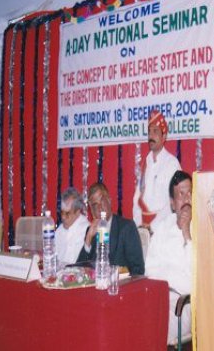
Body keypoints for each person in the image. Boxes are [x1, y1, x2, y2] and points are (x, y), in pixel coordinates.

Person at [145, 170, 192, 344]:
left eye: (189, 193)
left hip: (184, 305)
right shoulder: (163, 227)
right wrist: (171, 278)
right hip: (157, 298)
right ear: (173, 204)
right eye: (181, 194)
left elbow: (194, 282)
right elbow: (149, 270)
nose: (187, 199)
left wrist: (187, 233)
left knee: (152, 328)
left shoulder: (202, 228)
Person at [77, 182, 144, 275]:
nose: (100, 207)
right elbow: (79, 270)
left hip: (119, 286)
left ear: (109, 200)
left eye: (102, 200)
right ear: (91, 211)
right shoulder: (91, 231)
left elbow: (138, 270)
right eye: (95, 205)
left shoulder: (126, 227)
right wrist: (88, 239)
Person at [132, 110, 181, 232]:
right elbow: (137, 200)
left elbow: (173, 202)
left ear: (164, 137)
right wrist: (139, 225)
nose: (151, 136)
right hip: (143, 229)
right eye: (149, 132)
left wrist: (152, 227)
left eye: (155, 132)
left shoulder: (172, 164)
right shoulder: (146, 162)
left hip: (163, 230)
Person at [55, 187, 90, 266]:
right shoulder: (59, 230)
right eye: (62, 212)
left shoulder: (86, 230)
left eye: (67, 213)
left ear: (77, 212)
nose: (63, 217)